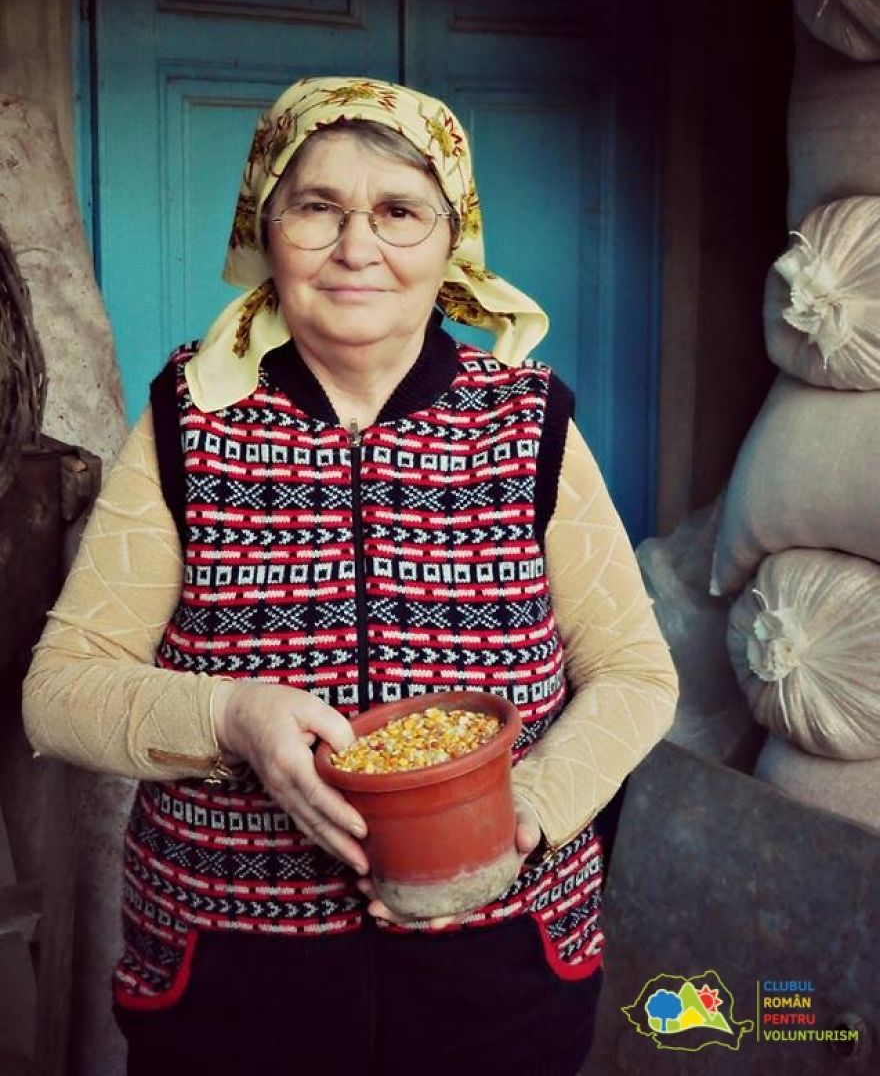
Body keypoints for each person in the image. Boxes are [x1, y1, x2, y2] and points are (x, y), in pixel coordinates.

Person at [23, 76, 678, 1076]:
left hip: (498, 975)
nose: (357, 248)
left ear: (452, 241)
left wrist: (528, 816)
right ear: (265, 226)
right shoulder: (192, 417)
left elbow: (635, 674)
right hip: (231, 981)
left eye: (400, 212)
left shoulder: (527, 421)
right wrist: (232, 717)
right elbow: (61, 690)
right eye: (316, 207)